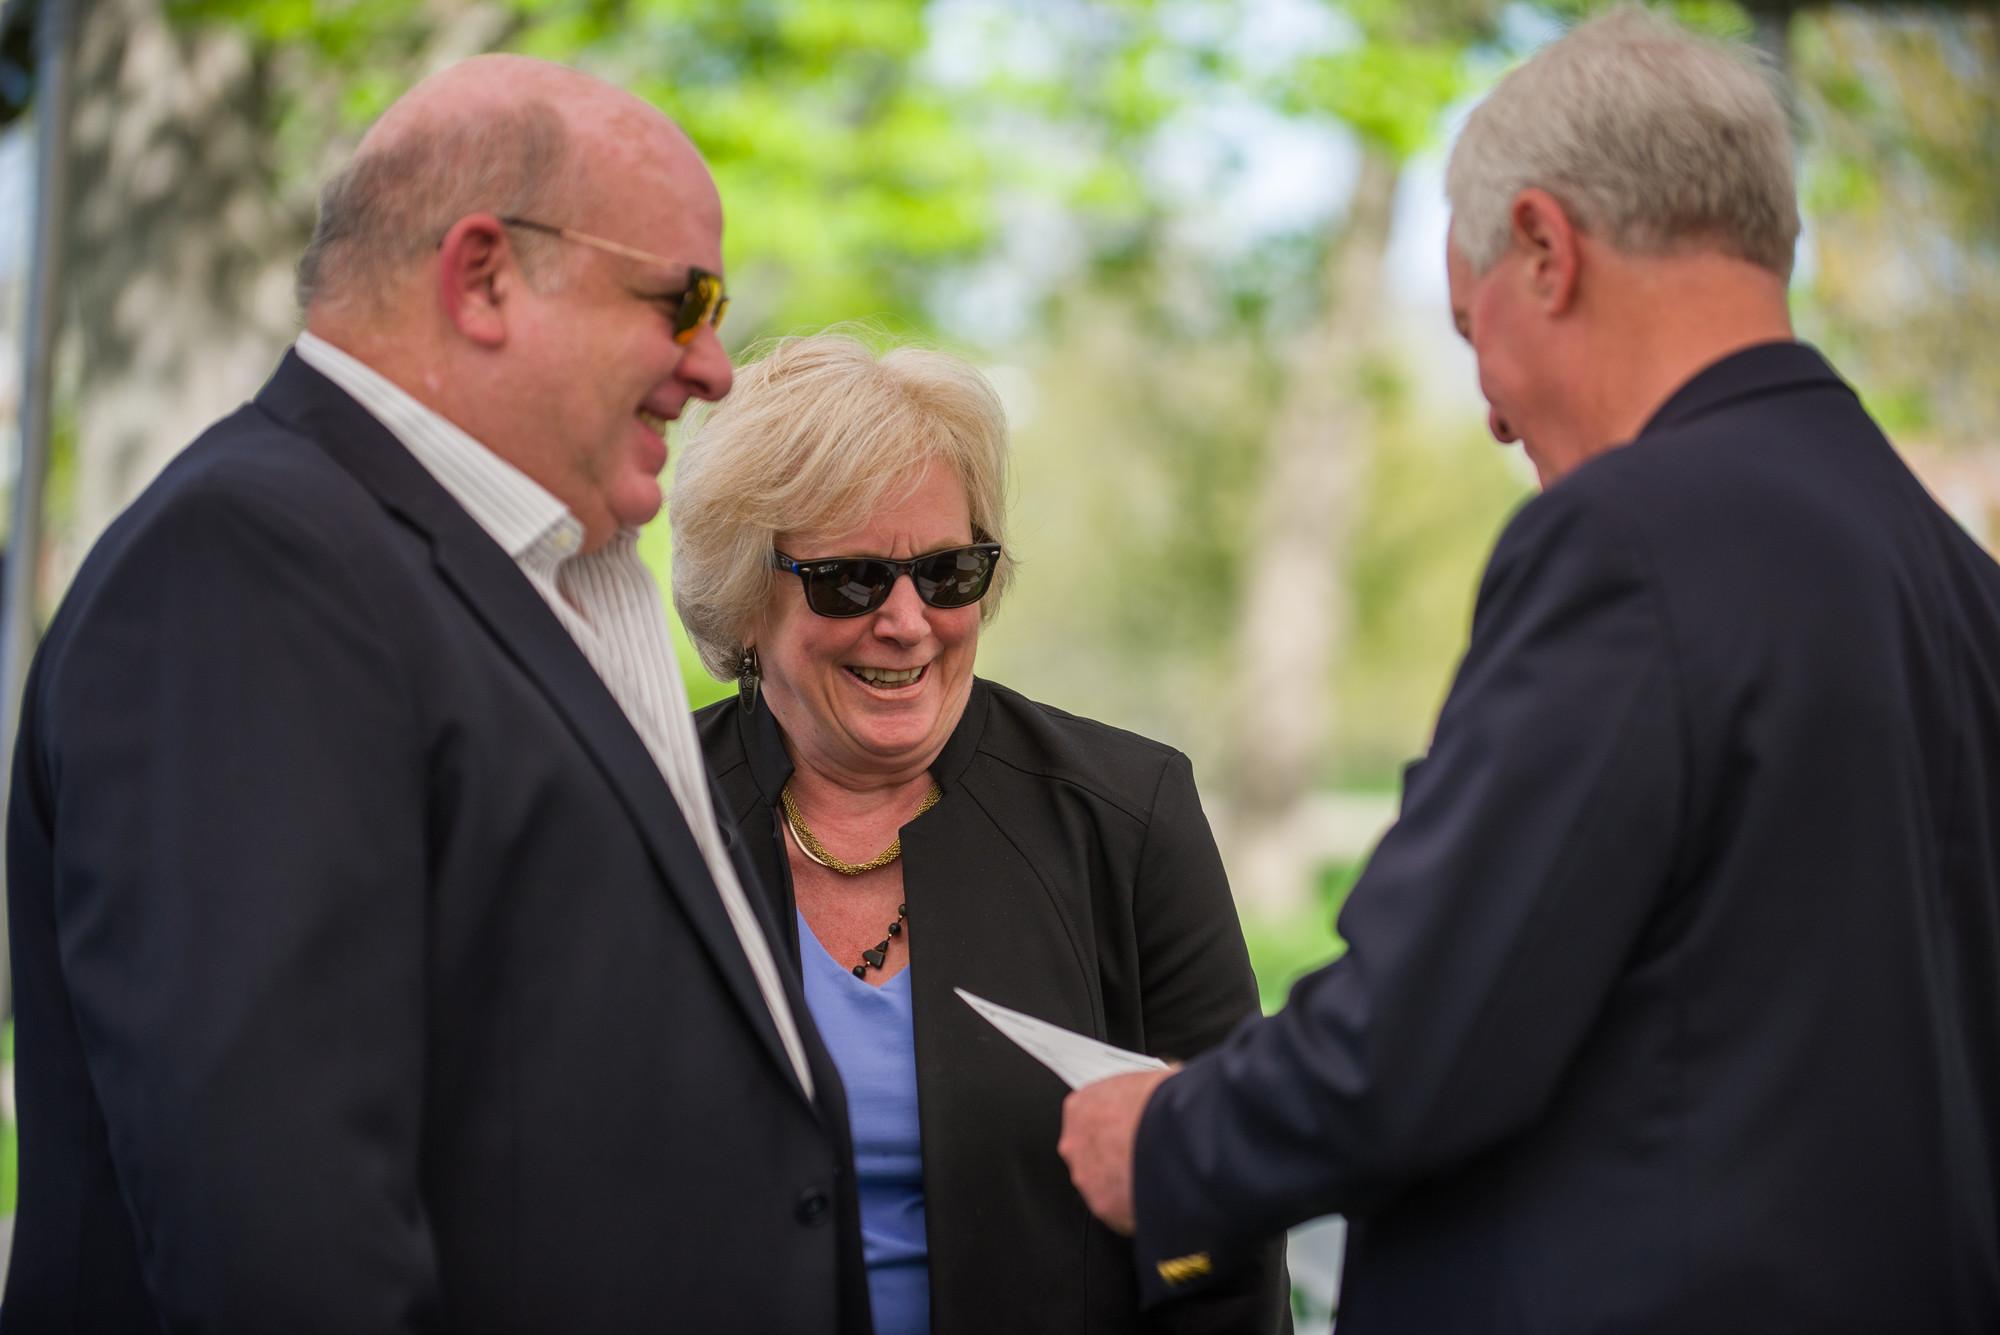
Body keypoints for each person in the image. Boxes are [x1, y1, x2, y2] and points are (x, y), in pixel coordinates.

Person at [1059, 8, 2000, 1331]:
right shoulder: (1953, 579)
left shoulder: (1629, 540)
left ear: (1546, 250)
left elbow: (1418, 1033)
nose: (1493, 412)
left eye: (1469, 329)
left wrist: (1164, 1141)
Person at [4, 57, 871, 1332]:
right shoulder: (249, 563)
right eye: (683, 301)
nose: (714, 368)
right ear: (483, 277)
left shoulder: (504, 573)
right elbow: (277, 1233)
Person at [672, 332, 1291, 1334]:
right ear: (745, 599)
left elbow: (1227, 1215)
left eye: (947, 572)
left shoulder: (1128, 818)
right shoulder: (636, 811)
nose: (907, 621)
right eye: (851, 579)